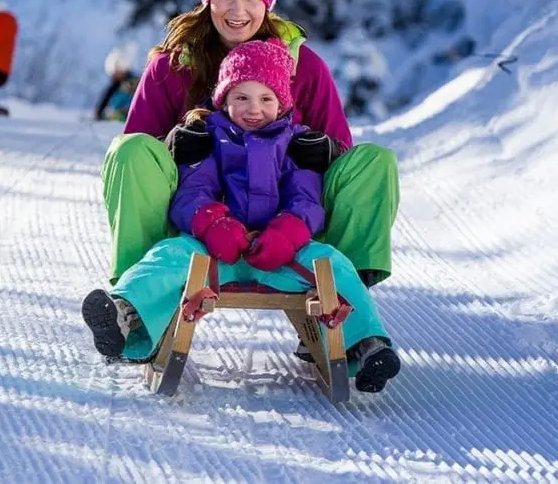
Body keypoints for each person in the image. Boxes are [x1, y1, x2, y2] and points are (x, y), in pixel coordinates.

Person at [82, 38, 400, 393]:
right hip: (214, 250)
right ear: (223, 99)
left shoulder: (297, 144)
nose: (253, 109)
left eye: (266, 99)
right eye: (242, 98)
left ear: (282, 104)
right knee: (167, 257)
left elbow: (307, 200)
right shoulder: (206, 138)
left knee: (333, 264)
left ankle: (367, 344)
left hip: (283, 254)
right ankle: (125, 316)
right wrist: (213, 223)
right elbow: (192, 193)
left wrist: (287, 233)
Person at [101, 0, 399, 290]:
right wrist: (171, 143)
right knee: (128, 151)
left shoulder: (303, 66)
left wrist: (328, 150)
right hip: (192, 225)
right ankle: (135, 299)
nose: (237, 10)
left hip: (291, 228)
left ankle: (344, 299)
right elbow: (135, 154)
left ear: (269, 2)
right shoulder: (171, 66)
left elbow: (346, 161)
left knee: (374, 162)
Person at [94, 42, 141, 121]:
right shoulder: (114, 84)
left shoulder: (134, 81)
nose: (115, 74)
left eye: (117, 70)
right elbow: (104, 100)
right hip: (119, 116)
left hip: (132, 115)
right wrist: (99, 114)